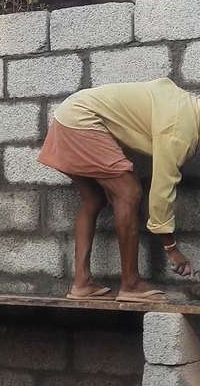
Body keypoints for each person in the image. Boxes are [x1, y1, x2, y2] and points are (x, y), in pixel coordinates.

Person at [38, 77, 198, 302]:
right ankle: (131, 284)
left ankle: (82, 283)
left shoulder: (185, 103)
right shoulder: (180, 133)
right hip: (83, 120)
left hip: (68, 115)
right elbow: (161, 194)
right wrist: (171, 249)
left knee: (93, 200)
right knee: (129, 193)